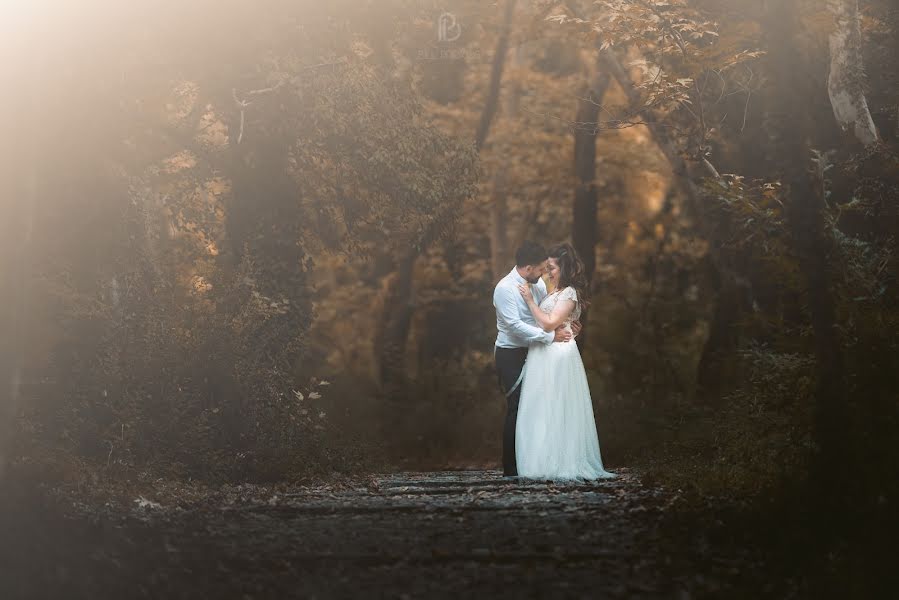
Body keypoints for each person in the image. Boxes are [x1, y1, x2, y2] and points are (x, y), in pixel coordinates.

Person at [514, 242, 615, 481]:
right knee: (542, 407)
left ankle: (559, 462)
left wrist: (529, 301)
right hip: (544, 353)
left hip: (557, 356)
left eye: (552, 267)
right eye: (547, 267)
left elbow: (549, 323)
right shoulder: (554, 292)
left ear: (564, 268)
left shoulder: (569, 292)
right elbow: (554, 322)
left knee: (556, 406)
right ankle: (540, 462)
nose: (548, 272)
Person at [493, 241, 577, 477]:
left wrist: (566, 326)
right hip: (510, 354)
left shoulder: (536, 284)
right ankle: (511, 468)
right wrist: (550, 336)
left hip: (537, 352)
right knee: (516, 407)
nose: (544, 274)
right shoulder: (504, 289)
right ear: (528, 268)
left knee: (535, 407)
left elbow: (545, 314)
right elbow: (515, 326)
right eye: (540, 269)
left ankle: (532, 463)